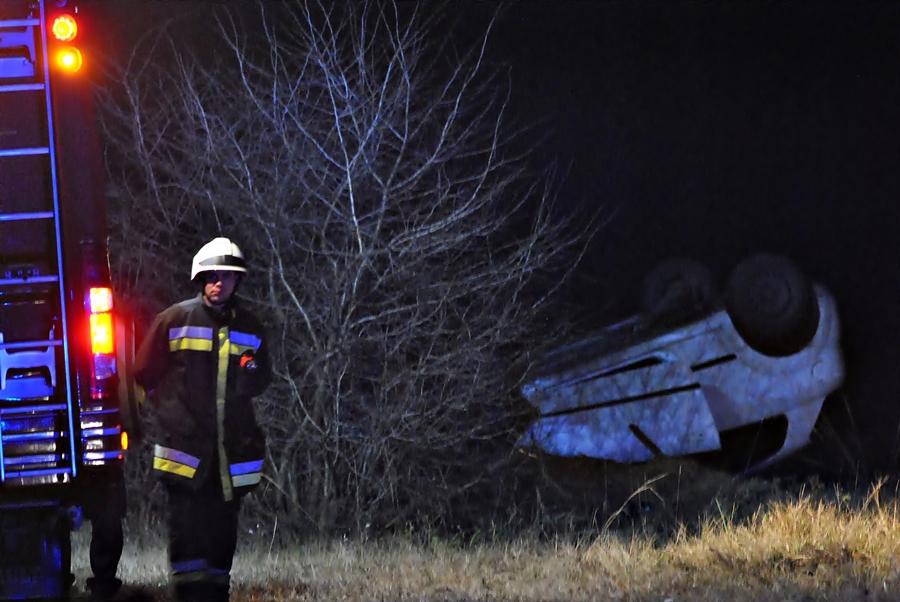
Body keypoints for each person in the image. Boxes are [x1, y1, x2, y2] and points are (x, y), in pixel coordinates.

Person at [133, 237, 271, 602]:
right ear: (200, 278)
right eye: (211, 276)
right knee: (188, 539)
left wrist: (249, 371)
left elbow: (261, 381)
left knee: (221, 542)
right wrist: (169, 415)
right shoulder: (175, 320)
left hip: (229, 461)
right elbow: (143, 373)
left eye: (226, 276)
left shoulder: (252, 328)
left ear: (236, 281)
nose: (218, 283)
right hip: (185, 455)